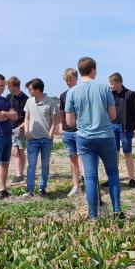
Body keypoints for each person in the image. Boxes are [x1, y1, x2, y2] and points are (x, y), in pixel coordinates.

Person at [65, 57, 124, 219]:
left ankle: (93, 215)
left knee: (90, 177)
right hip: (105, 136)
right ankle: (117, 211)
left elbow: (69, 122)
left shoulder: (72, 92)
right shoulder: (104, 88)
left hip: (84, 138)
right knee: (112, 173)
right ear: (93, 70)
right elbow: (113, 115)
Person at [22, 78, 58, 198]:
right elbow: (26, 118)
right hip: (32, 139)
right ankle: (29, 190)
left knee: (45, 165)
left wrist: (51, 133)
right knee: (31, 165)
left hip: (46, 140)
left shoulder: (51, 103)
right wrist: (26, 130)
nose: (29, 91)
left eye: (30, 89)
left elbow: (54, 121)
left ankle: (42, 189)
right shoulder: (29, 101)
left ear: (38, 89)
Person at [109, 72, 135, 187]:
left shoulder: (130, 94)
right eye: (110, 84)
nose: (111, 86)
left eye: (112, 84)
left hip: (125, 128)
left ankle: (132, 179)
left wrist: (131, 127)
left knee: (127, 153)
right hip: (112, 127)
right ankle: (113, 178)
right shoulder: (110, 94)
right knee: (113, 153)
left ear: (119, 83)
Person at [59, 68, 82, 197]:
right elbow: (62, 113)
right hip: (67, 132)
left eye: (71, 80)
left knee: (84, 158)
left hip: (81, 131)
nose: (68, 82)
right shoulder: (63, 95)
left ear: (76, 79)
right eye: (66, 80)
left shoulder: (81, 92)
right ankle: (76, 185)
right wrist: (60, 126)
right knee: (73, 160)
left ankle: (88, 184)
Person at [6, 76, 28, 184]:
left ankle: (21, 173)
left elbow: (28, 115)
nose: (7, 88)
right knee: (14, 151)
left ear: (14, 86)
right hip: (10, 128)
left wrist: (24, 124)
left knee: (20, 151)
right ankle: (19, 175)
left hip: (20, 128)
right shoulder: (8, 96)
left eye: (8, 86)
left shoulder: (25, 98)